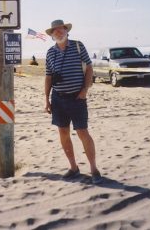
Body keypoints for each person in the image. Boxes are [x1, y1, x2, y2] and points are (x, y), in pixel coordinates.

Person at [44, 19, 102, 184]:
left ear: (66, 30)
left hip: (77, 97)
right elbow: (48, 77)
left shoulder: (78, 46)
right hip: (58, 99)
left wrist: (85, 90)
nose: (58, 32)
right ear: (52, 35)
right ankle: (73, 168)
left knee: (82, 132)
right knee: (63, 132)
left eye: (61, 29)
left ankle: (94, 169)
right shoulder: (50, 53)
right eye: (55, 31)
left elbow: (89, 68)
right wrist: (46, 99)